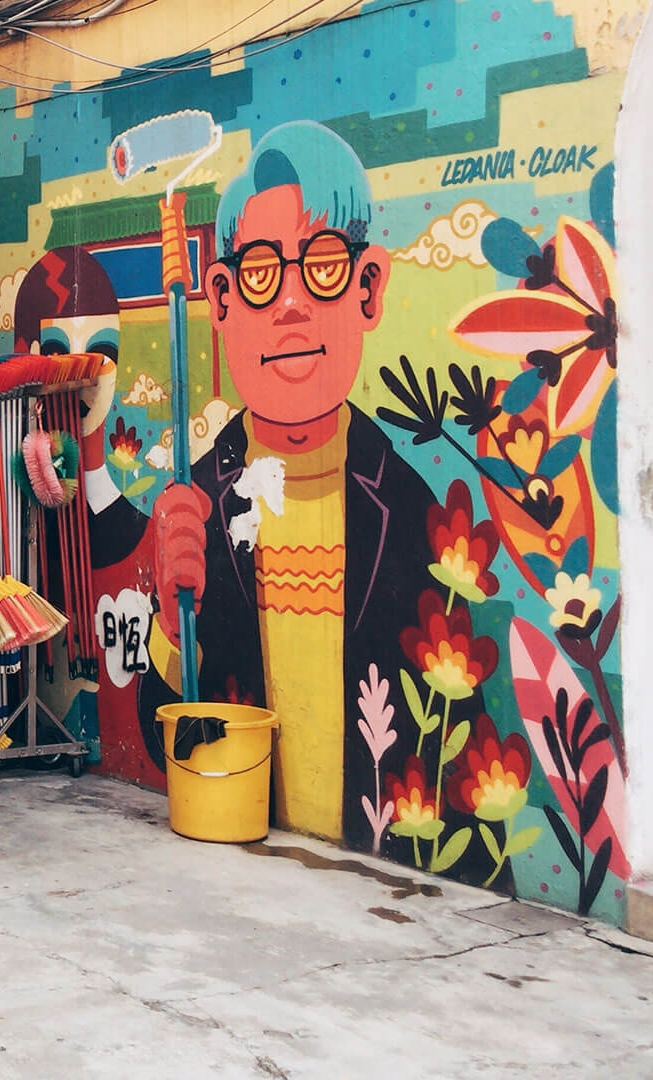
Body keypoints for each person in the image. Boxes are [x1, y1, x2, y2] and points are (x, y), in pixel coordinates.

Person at [139, 121, 457, 852]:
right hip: (240, 860)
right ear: (219, 302)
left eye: (322, 264)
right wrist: (168, 615)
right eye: (258, 271)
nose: (288, 303)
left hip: (381, 888)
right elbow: (167, 742)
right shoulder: (203, 504)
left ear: (368, 287)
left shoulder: (413, 513)